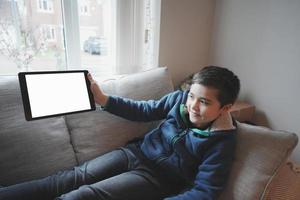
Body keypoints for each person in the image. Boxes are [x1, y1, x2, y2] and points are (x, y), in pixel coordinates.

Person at [0, 66, 240, 200]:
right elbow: (145, 110)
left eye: (205, 102)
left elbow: (205, 191)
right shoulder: (178, 100)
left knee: (82, 196)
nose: (192, 107)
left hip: (156, 179)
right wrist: (103, 99)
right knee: (67, 179)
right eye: (192, 96)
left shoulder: (222, 141)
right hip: (133, 153)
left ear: (225, 108)